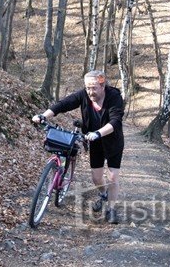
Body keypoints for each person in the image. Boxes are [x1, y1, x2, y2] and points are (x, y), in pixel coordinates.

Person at [32, 70, 124, 224]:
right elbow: (64, 104)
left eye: (94, 88)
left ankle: (111, 209)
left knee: (112, 177)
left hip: (112, 141)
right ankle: (103, 194)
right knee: (96, 178)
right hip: (94, 141)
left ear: (103, 86)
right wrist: (44, 115)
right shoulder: (84, 95)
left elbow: (115, 121)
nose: (90, 92)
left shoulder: (114, 97)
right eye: (88, 88)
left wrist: (98, 133)